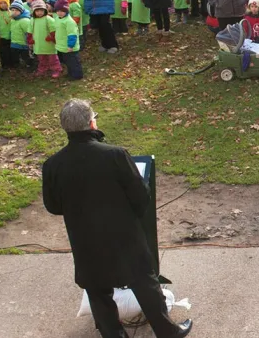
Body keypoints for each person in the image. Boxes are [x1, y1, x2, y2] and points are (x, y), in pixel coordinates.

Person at [43, 99, 193, 338]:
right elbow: (141, 196)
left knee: (97, 289)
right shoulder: (115, 155)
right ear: (92, 123)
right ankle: (167, 331)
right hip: (123, 235)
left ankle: (113, 334)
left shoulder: (52, 165)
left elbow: (52, 206)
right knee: (145, 283)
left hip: (84, 239)